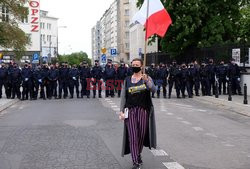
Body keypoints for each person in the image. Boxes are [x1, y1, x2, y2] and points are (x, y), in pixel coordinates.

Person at [119, 58, 157, 169]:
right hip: (130, 111)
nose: (134, 66)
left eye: (137, 64)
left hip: (143, 111)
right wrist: (121, 111)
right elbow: (123, 96)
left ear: (141, 66)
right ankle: (135, 161)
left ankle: (138, 154)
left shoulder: (146, 78)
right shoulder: (127, 80)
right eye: (133, 64)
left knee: (140, 135)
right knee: (133, 136)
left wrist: (147, 81)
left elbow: (154, 90)